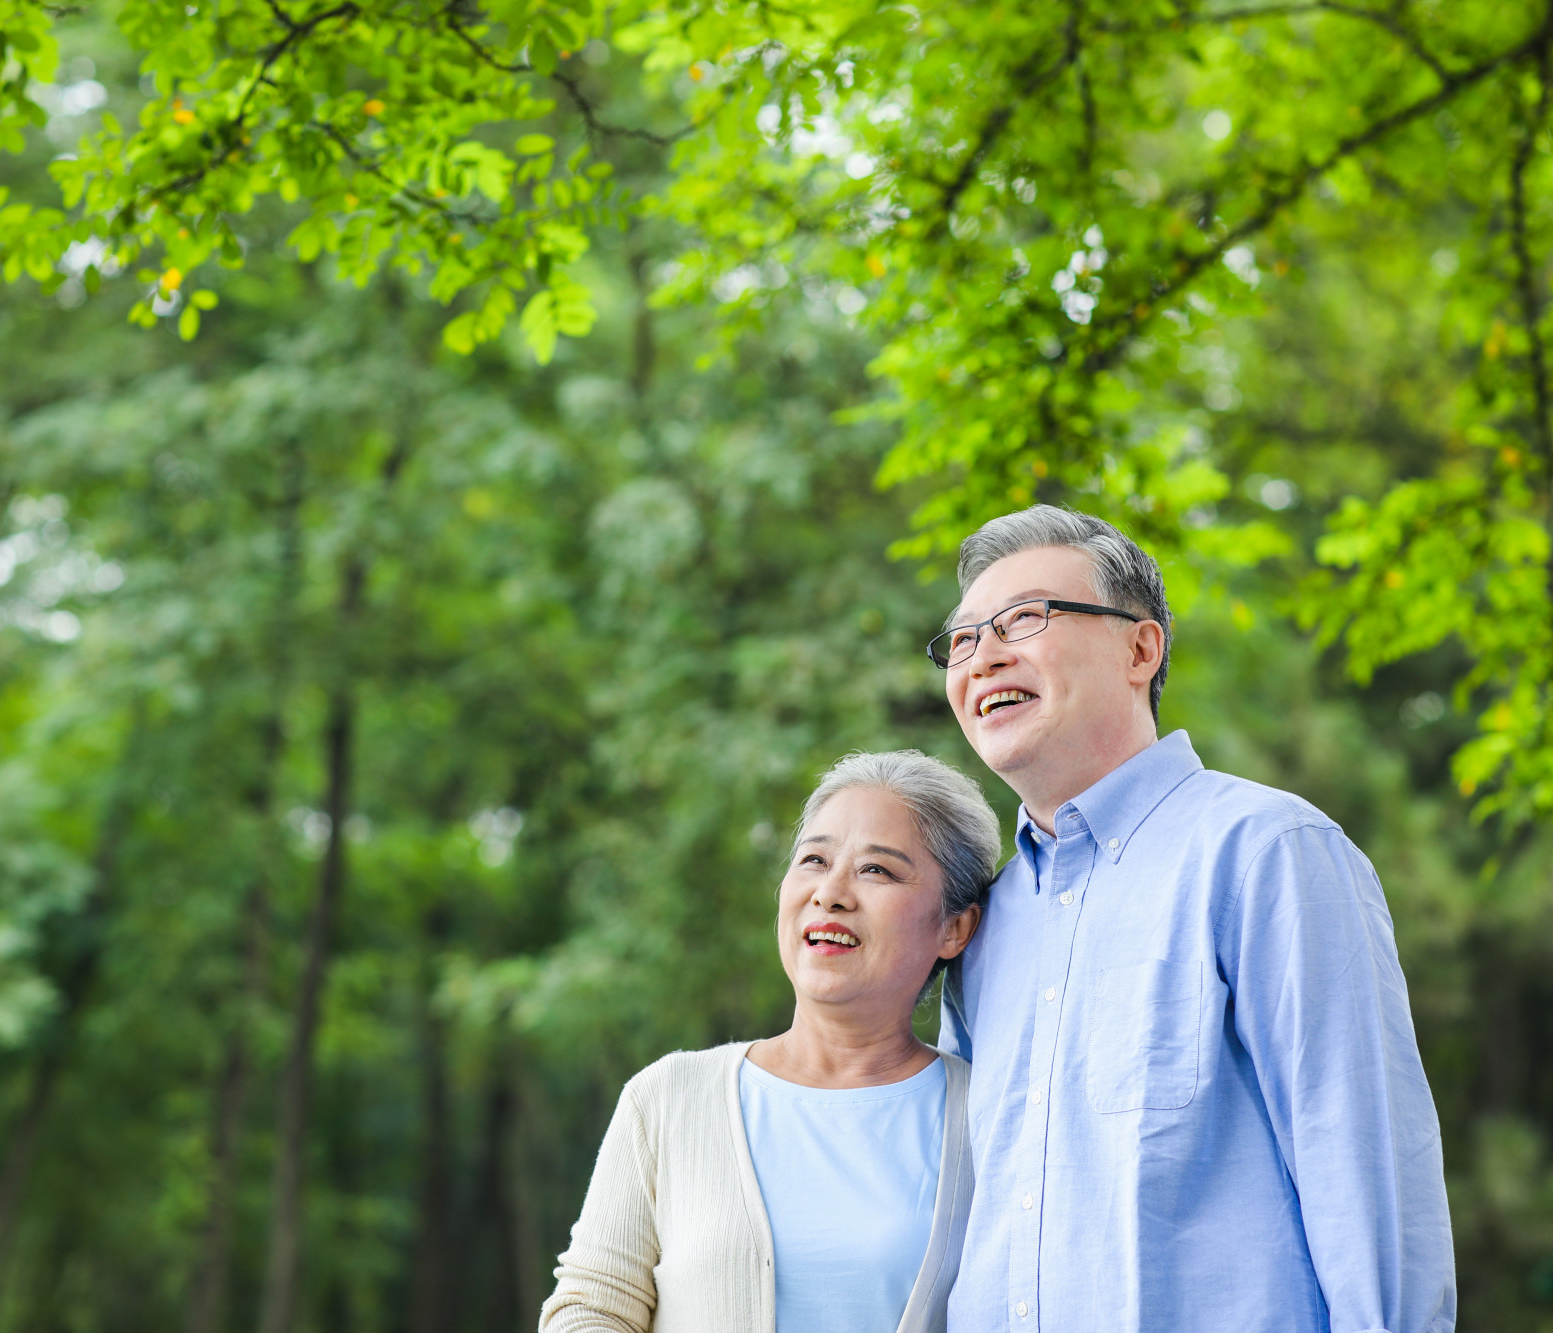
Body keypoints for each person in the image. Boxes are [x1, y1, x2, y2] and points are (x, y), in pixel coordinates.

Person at [926, 505, 1454, 1333]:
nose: (984, 654)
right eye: (962, 640)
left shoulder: (1267, 852)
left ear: (1141, 648)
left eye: (1024, 618)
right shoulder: (980, 925)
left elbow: (1364, 1172)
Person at [541, 751, 1002, 1333]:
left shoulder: (991, 1117)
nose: (831, 893)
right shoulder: (667, 1098)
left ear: (954, 928)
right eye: (814, 859)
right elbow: (589, 1310)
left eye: (877, 870)